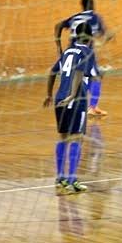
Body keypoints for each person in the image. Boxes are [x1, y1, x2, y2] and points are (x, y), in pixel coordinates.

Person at [44, 22, 99, 195]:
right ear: (90, 37)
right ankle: (71, 180)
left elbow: (52, 72)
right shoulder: (88, 52)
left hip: (59, 98)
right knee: (77, 138)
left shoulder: (67, 51)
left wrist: (49, 94)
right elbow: (80, 73)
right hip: (76, 99)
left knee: (63, 137)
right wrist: (73, 95)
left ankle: (60, 177)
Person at [54, 0, 115, 116]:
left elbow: (58, 26)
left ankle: (72, 103)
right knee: (95, 78)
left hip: (70, 52)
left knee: (80, 78)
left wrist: (58, 46)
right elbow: (104, 35)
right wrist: (108, 37)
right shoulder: (95, 17)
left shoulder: (75, 17)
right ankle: (92, 107)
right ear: (92, 5)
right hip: (85, 53)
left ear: (82, 6)